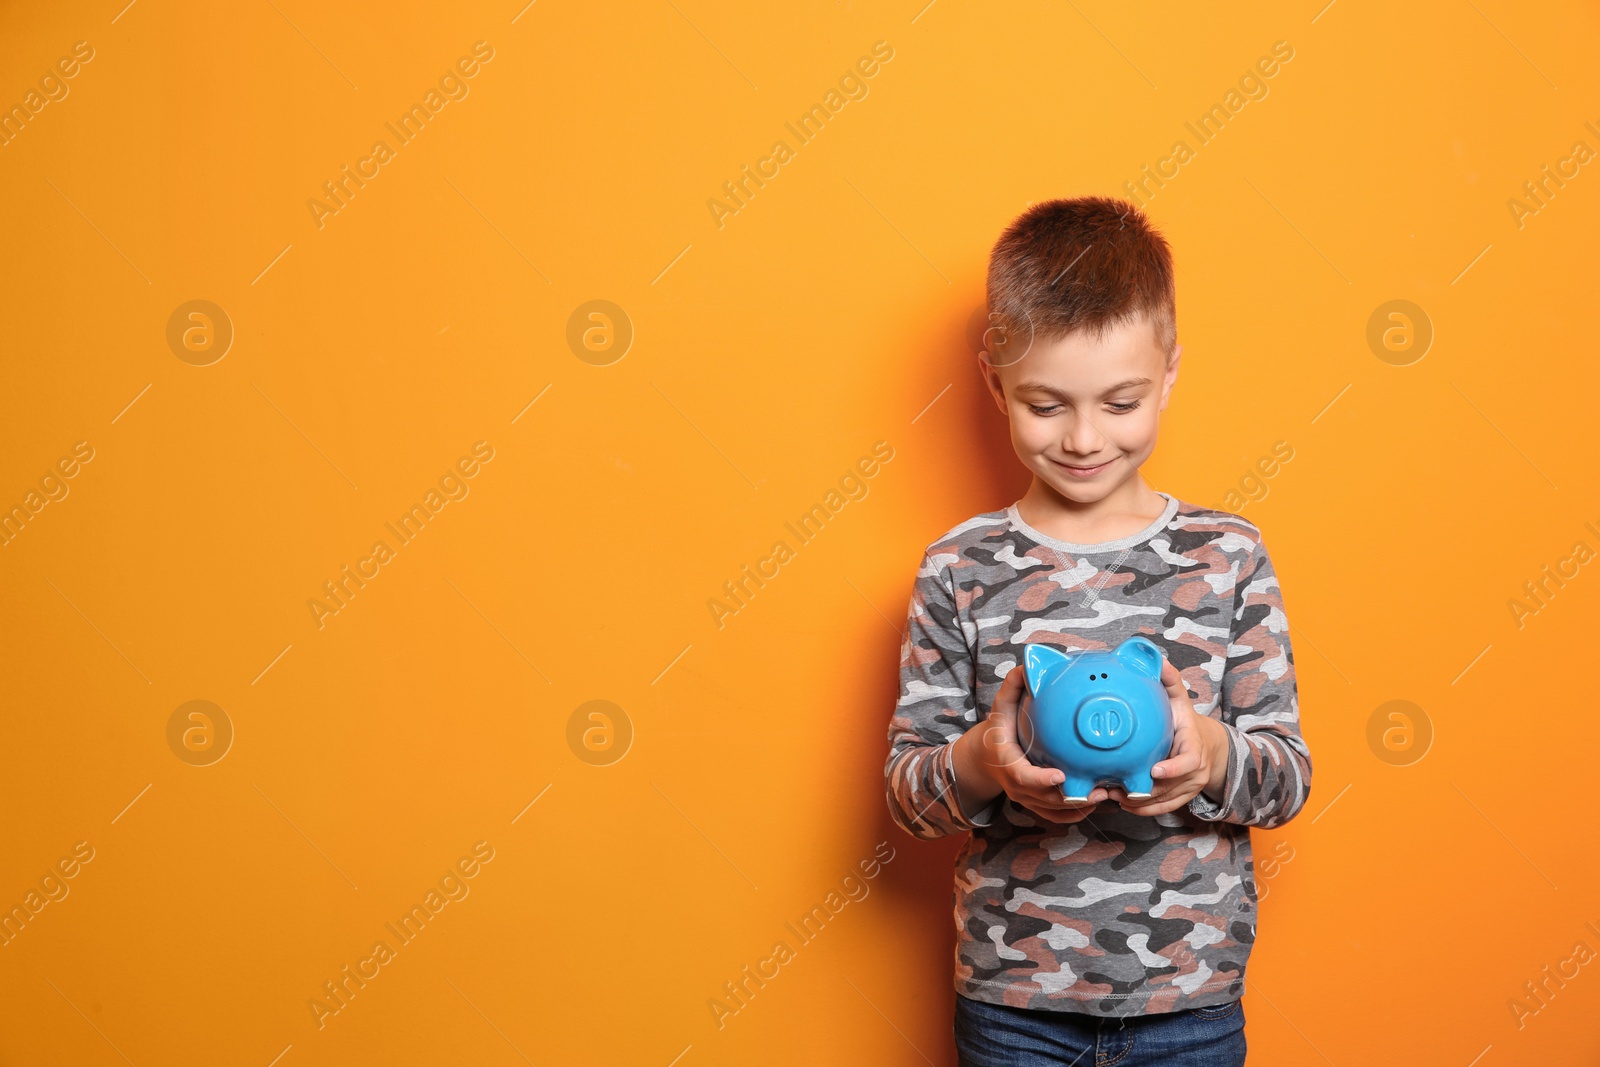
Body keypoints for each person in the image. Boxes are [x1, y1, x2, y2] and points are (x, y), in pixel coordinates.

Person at [884, 195, 1312, 1066]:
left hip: (1190, 1001)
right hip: (1013, 1005)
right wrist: (984, 763)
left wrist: (1211, 755)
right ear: (995, 381)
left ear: (1170, 374)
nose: (1085, 438)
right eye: (1047, 406)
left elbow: (1289, 778)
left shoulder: (1226, 555)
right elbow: (906, 796)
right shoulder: (959, 568)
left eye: (1121, 402)